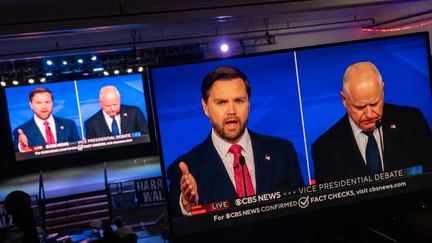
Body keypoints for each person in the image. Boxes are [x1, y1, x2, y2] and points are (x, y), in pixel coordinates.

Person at [167, 66, 304, 216]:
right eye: (221, 102)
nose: (231, 111)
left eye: (239, 101)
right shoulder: (186, 168)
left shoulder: (282, 152)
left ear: (249, 104)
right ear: (205, 107)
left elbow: (302, 212)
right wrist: (188, 206)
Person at [312, 61, 432, 183]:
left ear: (383, 90)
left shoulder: (412, 122)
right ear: (344, 100)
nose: (369, 114)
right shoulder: (324, 148)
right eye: (360, 107)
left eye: (375, 104)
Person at [13, 87, 80, 152]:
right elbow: (16, 153)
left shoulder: (69, 124)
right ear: (31, 105)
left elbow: (78, 149)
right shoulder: (22, 130)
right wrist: (21, 147)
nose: (44, 107)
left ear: (52, 103)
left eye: (47, 102)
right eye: (39, 103)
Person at [84, 85, 149, 139]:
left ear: (119, 99)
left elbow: (146, 136)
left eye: (115, 104)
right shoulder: (91, 124)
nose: (112, 108)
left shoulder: (134, 113)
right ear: (100, 103)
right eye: (108, 106)